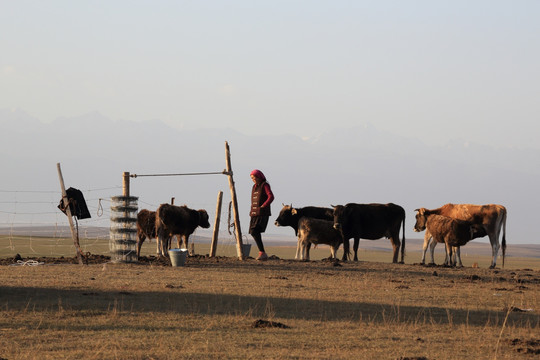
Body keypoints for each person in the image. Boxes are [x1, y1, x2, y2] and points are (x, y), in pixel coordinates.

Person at [249, 169, 274, 261]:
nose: (253, 179)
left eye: (254, 177)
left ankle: (262, 253)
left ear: (259, 177)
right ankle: (262, 252)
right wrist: (251, 211)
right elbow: (253, 201)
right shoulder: (254, 187)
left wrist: (264, 205)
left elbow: (271, 196)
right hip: (254, 213)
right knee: (253, 232)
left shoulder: (265, 185)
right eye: (251, 178)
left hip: (262, 213)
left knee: (254, 231)